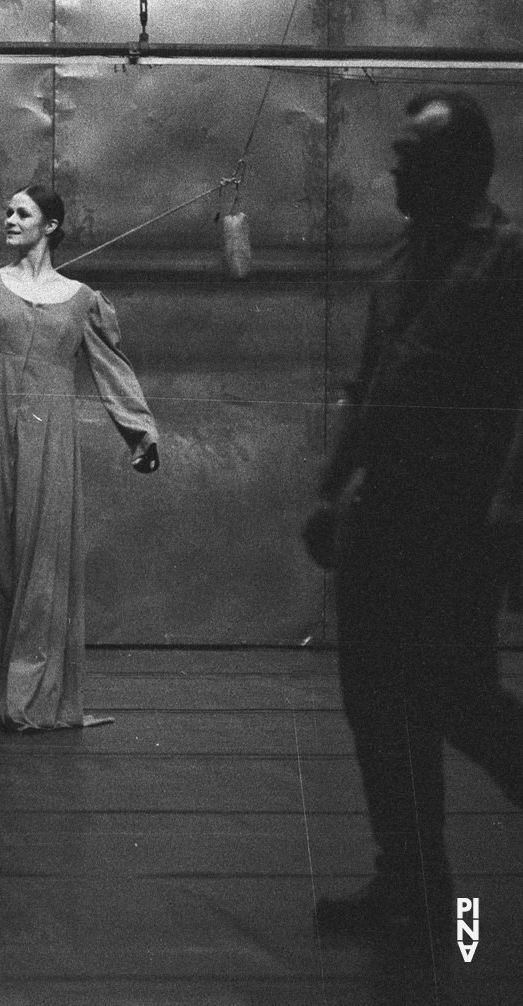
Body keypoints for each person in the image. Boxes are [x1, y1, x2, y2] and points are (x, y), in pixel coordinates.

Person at [304, 91, 523, 945]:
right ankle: (416, 887)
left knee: (455, 694)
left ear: (461, 168)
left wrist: (509, 511)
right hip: (384, 517)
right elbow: (372, 393)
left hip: (458, 522)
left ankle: (419, 886)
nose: (392, 168)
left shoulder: (506, 262)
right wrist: (332, 491)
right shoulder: (399, 264)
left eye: (411, 156)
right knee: (375, 703)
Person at [0, 184, 159, 731]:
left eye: (22, 213)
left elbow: (113, 367)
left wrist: (140, 431)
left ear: (50, 226)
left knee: (44, 557)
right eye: (7, 212)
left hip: (52, 439)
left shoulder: (82, 299)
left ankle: (32, 696)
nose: (9, 220)